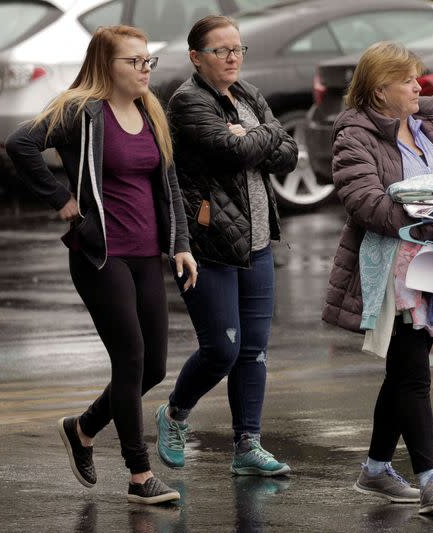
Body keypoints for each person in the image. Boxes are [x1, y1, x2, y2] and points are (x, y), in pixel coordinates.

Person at [5, 25, 197, 505]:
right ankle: (139, 475)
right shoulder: (81, 113)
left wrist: (181, 243)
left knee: (152, 366)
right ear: (104, 66)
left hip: (147, 255)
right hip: (100, 255)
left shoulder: (150, 110)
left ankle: (83, 427)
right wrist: (60, 199)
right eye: (133, 62)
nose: (144, 69)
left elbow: (169, 184)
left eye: (147, 60)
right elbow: (20, 144)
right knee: (129, 357)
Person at [322, 41, 433, 514]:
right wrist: (428, 219)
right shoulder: (355, 135)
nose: (417, 86)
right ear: (379, 89)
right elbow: (363, 200)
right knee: (413, 372)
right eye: (407, 79)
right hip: (395, 266)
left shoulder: (431, 125)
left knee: (406, 367)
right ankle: (430, 477)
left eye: (416, 77)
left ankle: (375, 468)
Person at [154, 15, 297, 477]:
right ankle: (174, 414)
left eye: (238, 49)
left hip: (256, 244)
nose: (233, 57)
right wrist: (259, 136)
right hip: (207, 245)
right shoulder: (187, 102)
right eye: (222, 50)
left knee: (254, 349)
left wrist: (254, 135)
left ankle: (247, 445)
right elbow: (235, 153)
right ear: (196, 57)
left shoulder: (249, 94)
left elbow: (288, 156)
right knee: (222, 349)